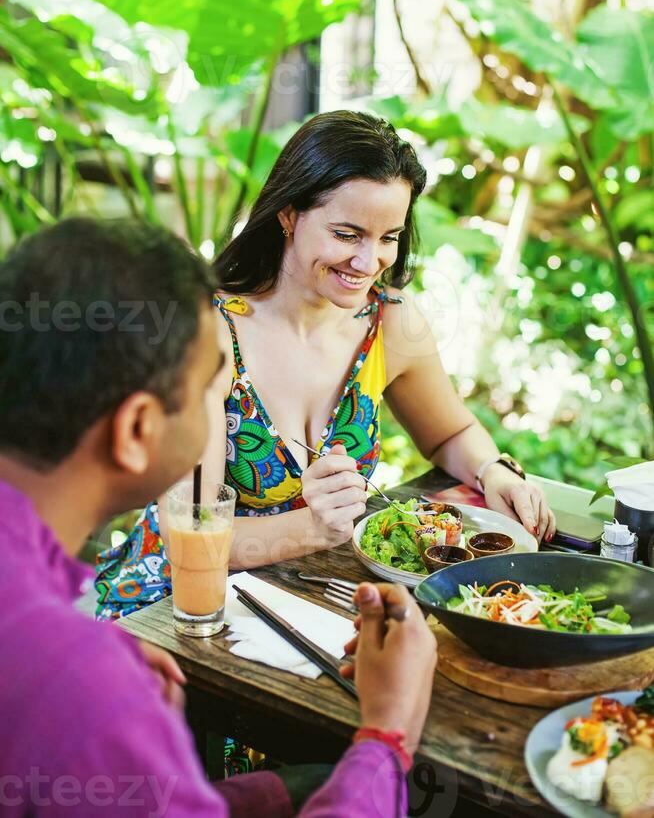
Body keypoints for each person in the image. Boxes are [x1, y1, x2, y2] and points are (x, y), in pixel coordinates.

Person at [0, 217, 437, 817]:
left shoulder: (66, 646)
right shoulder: (81, 688)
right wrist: (387, 739)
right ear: (137, 430)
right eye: (211, 386)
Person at [97, 110, 555, 620]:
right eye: (346, 234)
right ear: (288, 215)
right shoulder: (209, 334)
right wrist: (313, 528)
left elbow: (450, 433)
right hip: (174, 608)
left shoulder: (391, 322)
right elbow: (192, 535)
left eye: (388, 237)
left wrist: (494, 472)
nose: (368, 262)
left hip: (300, 595)